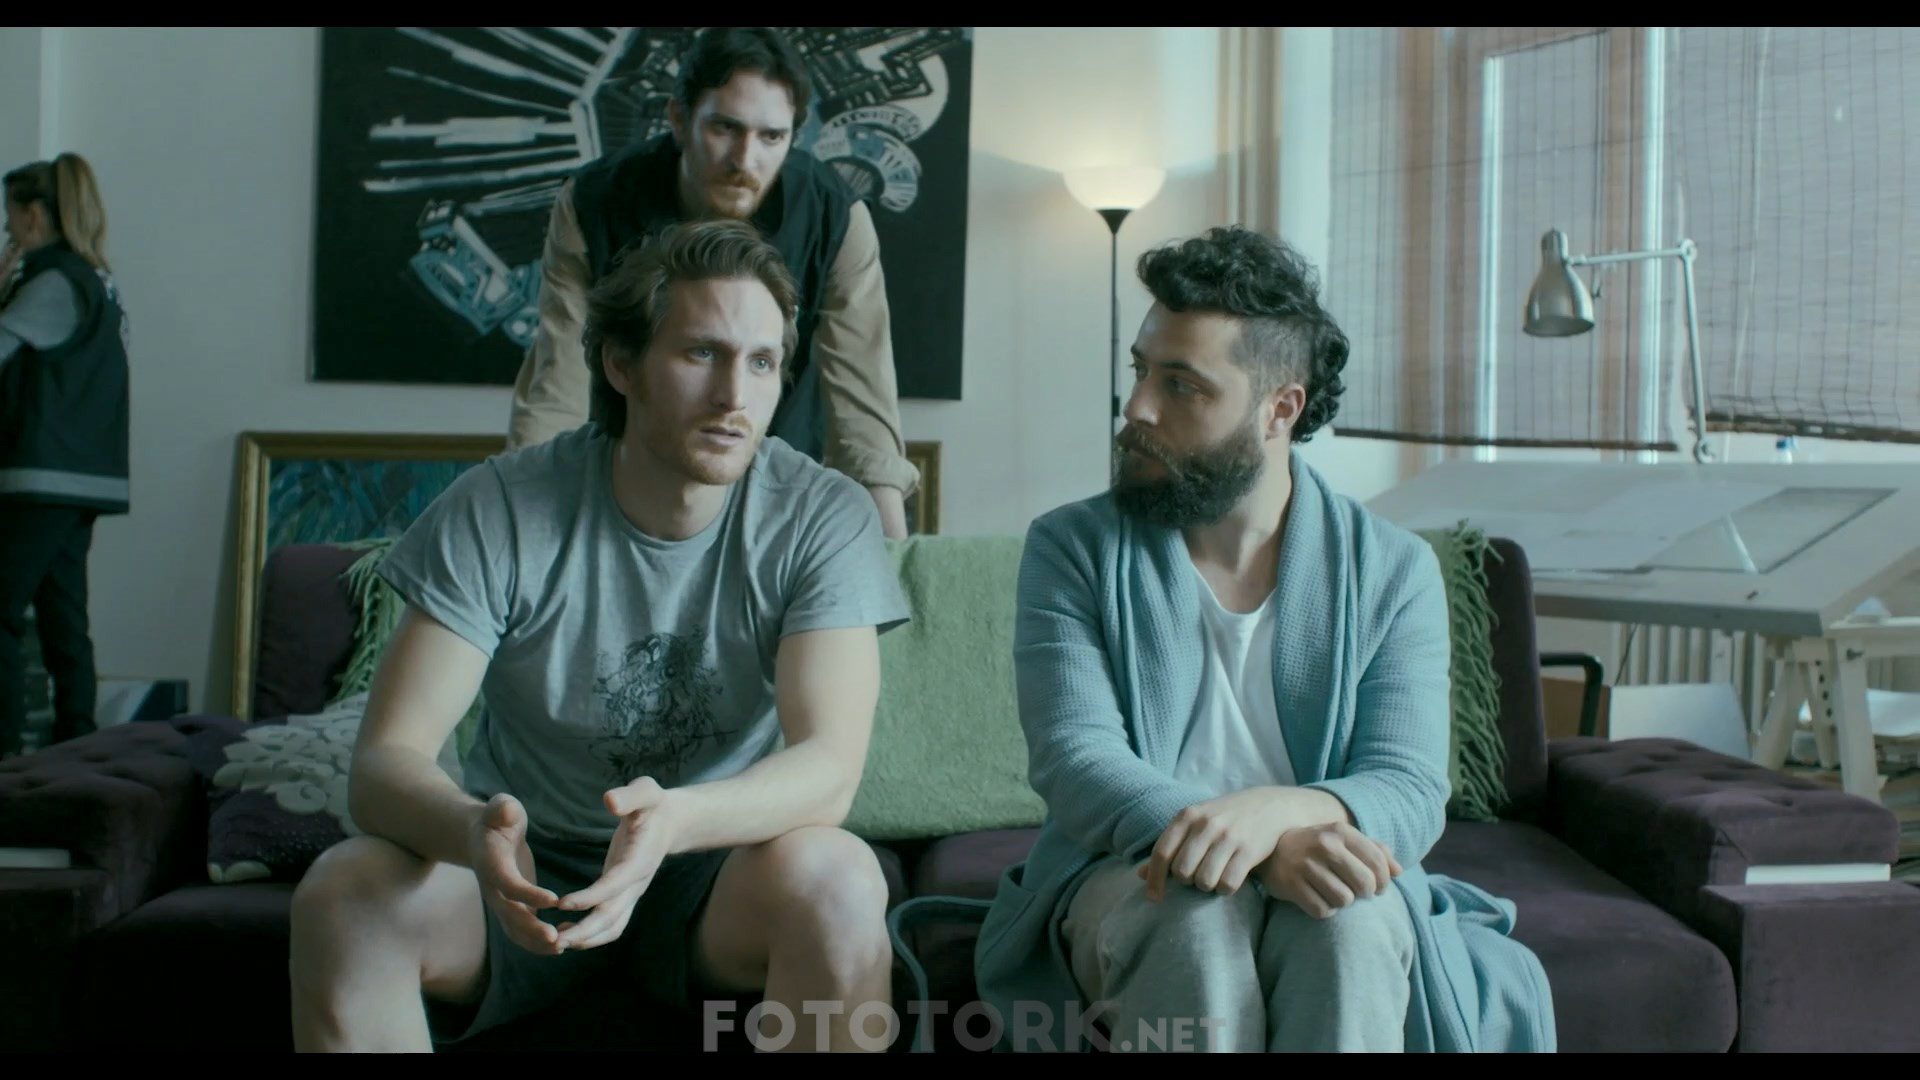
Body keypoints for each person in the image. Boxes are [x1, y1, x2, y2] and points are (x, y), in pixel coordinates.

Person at [288, 219, 912, 1052]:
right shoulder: (501, 507)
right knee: (344, 892)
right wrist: (473, 832)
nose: (735, 395)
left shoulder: (820, 514)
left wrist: (674, 822)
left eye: (762, 362)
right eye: (702, 353)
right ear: (622, 364)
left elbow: (829, 768)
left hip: (713, 868)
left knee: (840, 880)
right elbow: (385, 764)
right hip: (523, 869)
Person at [971, 227, 1555, 1053]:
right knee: (1192, 921)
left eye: (1182, 385)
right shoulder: (1072, 549)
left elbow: (1408, 783)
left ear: (1281, 408)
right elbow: (1077, 759)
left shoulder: (1394, 570)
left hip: (1328, 870)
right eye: (1141, 371)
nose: (1138, 408)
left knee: (1349, 926)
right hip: (1130, 871)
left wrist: (1280, 815)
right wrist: (1253, 849)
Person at [507, 26, 920, 539]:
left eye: (771, 137)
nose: (745, 160)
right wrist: (519, 517)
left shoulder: (836, 216)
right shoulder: (593, 202)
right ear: (679, 120)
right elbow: (560, 376)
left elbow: (862, 391)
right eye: (725, 128)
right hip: (625, 486)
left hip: (776, 489)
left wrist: (894, 554)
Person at [0, 152, 128, 759]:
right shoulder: (96, 281)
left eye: (8, 217)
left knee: (2, 611)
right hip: (82, 476)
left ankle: (5, 754)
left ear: (33, 215)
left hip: (40, 475)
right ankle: (77, 749)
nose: (6, 230)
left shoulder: (54, 282)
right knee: (62, 617)